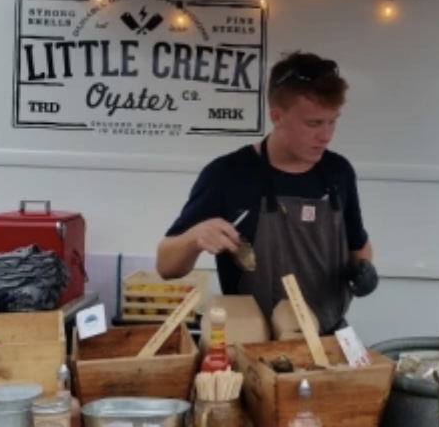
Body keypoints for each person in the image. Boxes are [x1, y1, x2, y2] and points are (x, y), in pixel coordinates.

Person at [156, 51, 378, 335]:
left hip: (329, 340)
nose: (326, 135)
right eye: (313, 124)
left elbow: (358, 247)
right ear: (277, 116)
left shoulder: (338, 173)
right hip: (252, 346)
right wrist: (195, 237)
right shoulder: (228, 174)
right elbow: (166, 266)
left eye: (332, 121)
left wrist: (364, 270)